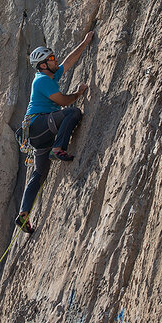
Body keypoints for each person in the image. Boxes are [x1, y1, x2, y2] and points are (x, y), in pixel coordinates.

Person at [16, 29, 95, 233]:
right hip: (39, 125)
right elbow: (63, 101)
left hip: (38, 133)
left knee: (39, 174)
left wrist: (85, 43)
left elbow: (67, 63)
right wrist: (79, 92)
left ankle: (24, 214)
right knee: (72, 113)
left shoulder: (49, 75)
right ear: (42, 65)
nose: (55, 59)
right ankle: (58, 148)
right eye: (51, 58)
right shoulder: (42, 80)